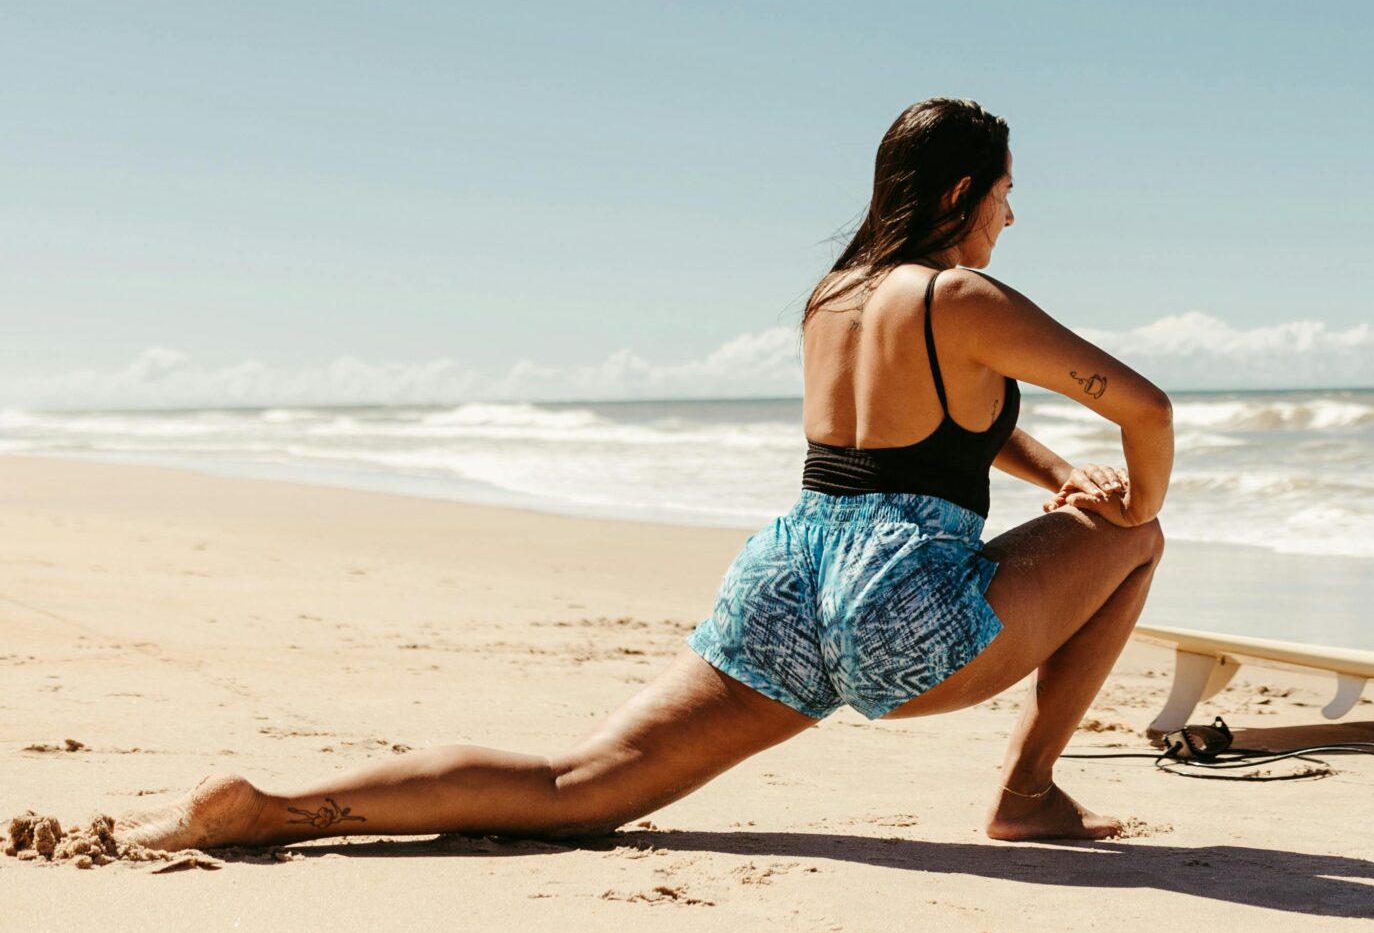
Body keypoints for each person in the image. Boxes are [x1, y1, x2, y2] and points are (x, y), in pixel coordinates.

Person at [132, 97, 1175, 849]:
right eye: (1002, 195)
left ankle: (275, 807)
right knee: (1141, 540)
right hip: (906, 605)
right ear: (961, 192)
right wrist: (1131, 502)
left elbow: (924, 431)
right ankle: (1029, 791)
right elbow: (1146, 406)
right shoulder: (963, 297)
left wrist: (1046, 472)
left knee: (577, 783)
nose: (1008, 218)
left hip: (787, 577)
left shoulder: (834, 295)